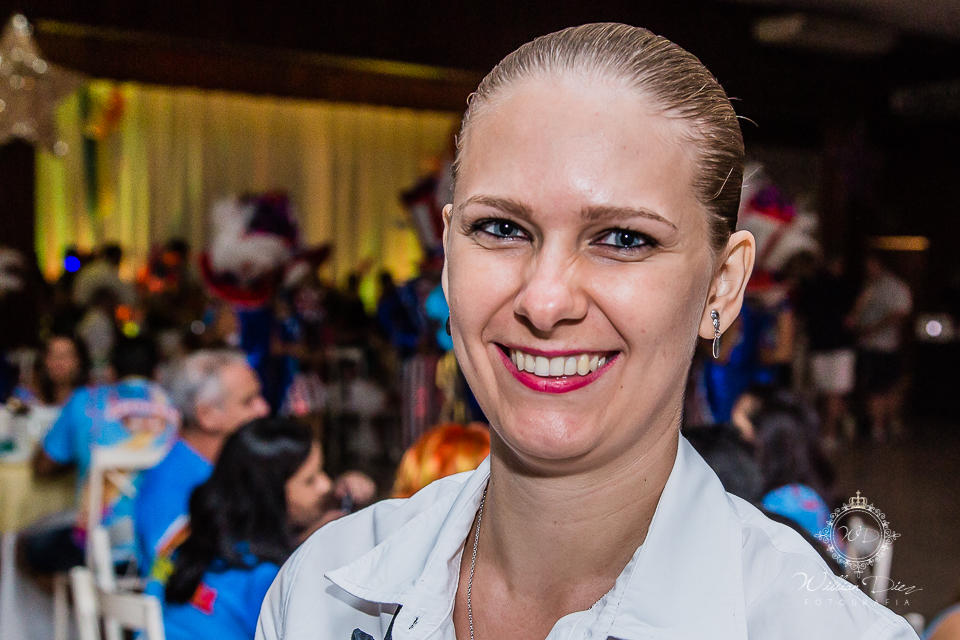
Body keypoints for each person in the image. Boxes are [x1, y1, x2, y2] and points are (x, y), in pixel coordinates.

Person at [257, 24, 917, 640]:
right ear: (450, 252)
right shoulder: (320, 593)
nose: (545, 301)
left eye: (624, 239)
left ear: (723, 283)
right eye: (501, 229)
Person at [135, 350, 375, 574]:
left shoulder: (226, 466)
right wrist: (301, 546)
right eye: (248, 401)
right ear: (207, 415)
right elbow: (193, 579)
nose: (264, 408)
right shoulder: (171, 488)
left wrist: (333, 497)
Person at [149, 418, 346, 640]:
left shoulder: (187, 539)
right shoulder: (271, 578)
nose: (326, 485)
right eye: (310, 480)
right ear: (269, 494)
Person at [23, 335, 178, 573]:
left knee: (25, 547)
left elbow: (42, 467)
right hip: (166, 548)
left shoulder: (85, 401)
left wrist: (80, 454)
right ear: (157, 373)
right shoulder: (179, 408)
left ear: (110, 372)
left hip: (98, 548)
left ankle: (81, 593)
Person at [848, 252, 913, 442]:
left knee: (889, 386)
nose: (868, 269)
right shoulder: (867, 286)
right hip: (869, 346)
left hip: (887, 345)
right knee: (874, 387)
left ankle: (887, 424)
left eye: (871, 265)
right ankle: (878, 426)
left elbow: (900, 314)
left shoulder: (895, 287)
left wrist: (873, 329)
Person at [13, 334, 91, 407]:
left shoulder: (91, 401)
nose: (59, 361)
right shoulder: (28, 399)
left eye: (66, 355)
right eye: (53, 355)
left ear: (80, 361)